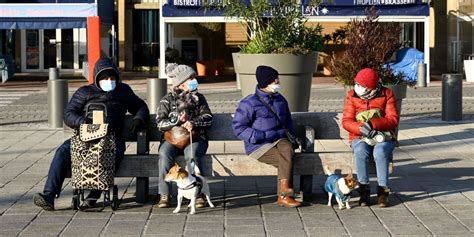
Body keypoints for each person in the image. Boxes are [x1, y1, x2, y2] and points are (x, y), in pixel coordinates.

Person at [33, 58, 149, 211]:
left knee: (111, 155)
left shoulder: (123, 91)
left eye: (112, 78)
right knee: (62, 151)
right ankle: (49, 194)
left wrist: (139, 118)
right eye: (106, 78)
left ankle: (94, 195)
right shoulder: (85, 92)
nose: (109, 81)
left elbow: (141, 106)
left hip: (112, 138)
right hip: (85, 136)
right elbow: (69, 113)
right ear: (98, 78)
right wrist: (82, 122)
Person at [232, 65, 301, 208]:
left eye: (278, 79)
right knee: (286, 159)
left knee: (288, 150)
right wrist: (258, 136)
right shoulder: (249, 103)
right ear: (266, 83)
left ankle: (284, 192)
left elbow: (288, 122)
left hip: (279, 139)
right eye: (275, 80)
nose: (278, 82)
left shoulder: (280, 99)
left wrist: (293, 137)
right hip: (258, 145)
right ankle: (284, 195)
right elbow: (238, 127)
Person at [155, 63, 213, 208]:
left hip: (194, 137)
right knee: (164, 153)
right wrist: (175, 122)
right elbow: (159, 123)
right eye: (191, 78)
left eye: (194, 77)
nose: (194, 80)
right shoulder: (167, 100)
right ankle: (165, 194)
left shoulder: (199, 98)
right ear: (181, 83)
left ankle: (197, 193)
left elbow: (208, 117)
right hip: (172, 138)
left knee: (192, 155)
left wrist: (194, 122)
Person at [342, 68, 399, 208]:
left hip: (384, 136)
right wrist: (360, 128)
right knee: (360, 150)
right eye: (357, 84)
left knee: (379, 151)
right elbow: (346, 121)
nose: (358, 88)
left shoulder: (387, 94)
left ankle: (382, 192)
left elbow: (393, 119)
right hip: (359, 136)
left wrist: (373, 124)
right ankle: (364, 191)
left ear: (371, 88)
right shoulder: (352, 95)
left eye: (362, 86)